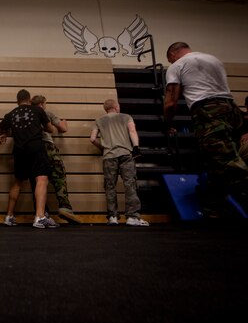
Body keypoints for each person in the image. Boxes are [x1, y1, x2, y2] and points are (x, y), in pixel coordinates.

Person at [164, 42, 248, 218]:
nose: (170, 62)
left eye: (169, 59)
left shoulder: (177, 65)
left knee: (228, 164)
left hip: (209, 112)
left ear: (173, 54)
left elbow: (171, 102)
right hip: (231, 109)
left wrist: (168, 124)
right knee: (213, 162)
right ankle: (214, 208)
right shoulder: (213, 59)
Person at [0, 89, 58, 229]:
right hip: (35, 148)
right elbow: (50, 129)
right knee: (41, 179)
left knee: (17, 182)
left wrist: (6, 133)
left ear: (17, 101)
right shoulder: (37, 110)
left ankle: (9, 216)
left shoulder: (11, 114)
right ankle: (40, 216)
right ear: (29, 99)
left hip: (19, 150)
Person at [90, 99, 149, 226]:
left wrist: (103, 148)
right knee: (130, 184)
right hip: (125, 154)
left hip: (108, 156)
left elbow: (93, 139)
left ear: (105, 109)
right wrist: (136, 146)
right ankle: (132, 217)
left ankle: (113, 217)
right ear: (116, 107)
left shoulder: (99, 121)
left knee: (110, 186)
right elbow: (132, 131)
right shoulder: (126, 117)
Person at [30, 95, 81, 224]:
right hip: (48, 147)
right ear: (42, 104)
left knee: (38, 181)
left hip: (33, 148)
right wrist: (64, 121)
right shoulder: (47, 113)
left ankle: (41, 212)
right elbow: (63, 129)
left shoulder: (28, 115)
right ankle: (65, 207)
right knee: (59, 176)